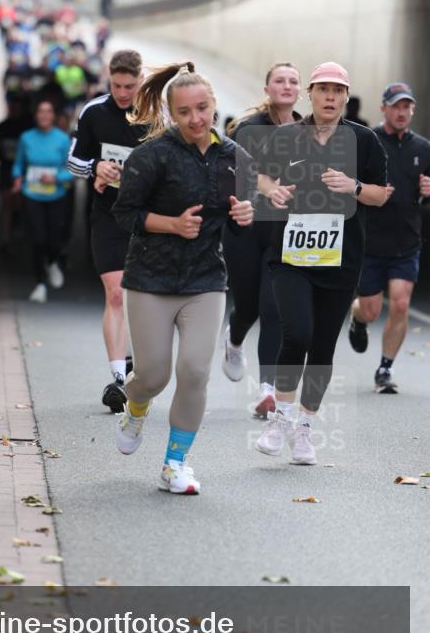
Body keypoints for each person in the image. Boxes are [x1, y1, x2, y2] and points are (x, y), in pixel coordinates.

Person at [111, 63, 254, 494]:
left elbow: (240, 210)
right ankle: (135, 408)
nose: (196, 119)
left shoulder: (234, 156)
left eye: (203, 109)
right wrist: (172, 225)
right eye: (185, 111)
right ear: (171, 113)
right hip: (150, 279)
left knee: (194, 372)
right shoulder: (151, 156)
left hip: (205, 280)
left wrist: (244, 215)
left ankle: (175, 463)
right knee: (153, 375)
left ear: (214, 107)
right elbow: (124, 215)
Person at [253, 62, 388, 465]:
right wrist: (273, 191)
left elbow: (382, 195)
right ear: (308, 94)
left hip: (341, 260)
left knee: (324, 346)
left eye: (338, 90)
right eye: (323, 89)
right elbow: (257, 177)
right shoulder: (285, 137)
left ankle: (305, 428)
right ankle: (280, 418)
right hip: (290, 256)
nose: (330, 97)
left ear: (346, 97)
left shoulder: (364, 141)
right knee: (298, 333)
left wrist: (355, 187)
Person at [68, 49, 147, 412]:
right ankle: (118, 379)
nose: (122, 92)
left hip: (150, 218)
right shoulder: (94, 111)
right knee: (115, 293)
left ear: (141, 81)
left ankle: (135, 366)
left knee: (140, 297)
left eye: (130, 86)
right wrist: (96, 168)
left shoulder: (158, 113)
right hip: (108, 214)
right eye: (116, 85)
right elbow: (73, 160)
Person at [223, 63, 303, 416]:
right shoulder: (248, 129)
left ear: (300, 90)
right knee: (249, 307)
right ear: (268, 88)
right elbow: (248, 173)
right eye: (279, 81)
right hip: (245, 226)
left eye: (293, 81)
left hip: (282, 230)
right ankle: (234, 339)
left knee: (273, 307)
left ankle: (267, 390)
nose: (286, 86)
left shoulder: (307, 130)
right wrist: (272, 188)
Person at [349, 83, 430, 392]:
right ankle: (358, 318)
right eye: (396, 106)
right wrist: (368, 190)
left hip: (406, 242)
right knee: (370, 309)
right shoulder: (369, 142)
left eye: (407, 106)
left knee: (399, 303)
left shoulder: (423, 148)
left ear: (413, 111)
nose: (401, 112)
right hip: (370, 242)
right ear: (383, 108)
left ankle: (385, 369)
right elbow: (346, 182)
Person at [12, 100, 73, 303]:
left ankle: (54, 262)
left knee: (55, 238)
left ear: (53, 115)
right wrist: (17, 178)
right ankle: (39, 284)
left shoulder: (63, 139)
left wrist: (56, 177)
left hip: (56, 195)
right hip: (32, 194)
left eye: (48, 112)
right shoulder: (26, 138)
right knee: (38, 239)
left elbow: (72, 170)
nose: (44, 115)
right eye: (41, 111)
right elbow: (18, 164)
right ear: (36, 115)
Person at [0, 97, 33, 249]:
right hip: (6, 169)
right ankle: (6, 237)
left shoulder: (26, 129)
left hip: (21, 170)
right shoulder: (1, 127)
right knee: (7, 201)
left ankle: (16, 230)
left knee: (19, 201)